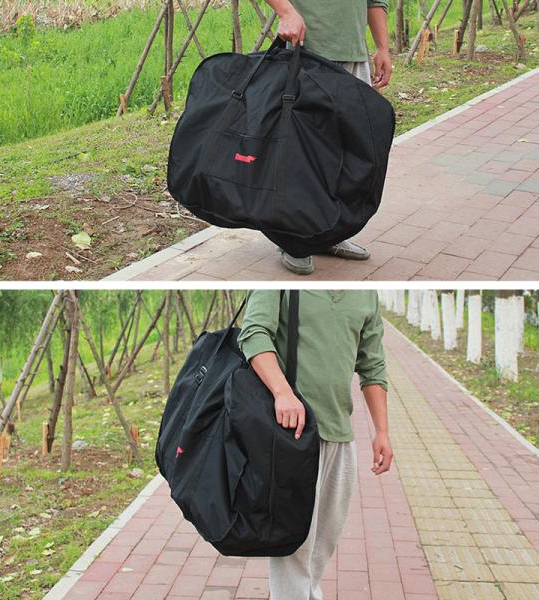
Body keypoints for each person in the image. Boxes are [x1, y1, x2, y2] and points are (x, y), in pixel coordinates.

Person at [237, 290, 394, 600]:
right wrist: (282, 393)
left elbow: (373, 364)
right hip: (292, 435)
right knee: (294, 546)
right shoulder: (279, 287)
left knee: (323, 544)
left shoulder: (366, 295)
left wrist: (382, 431)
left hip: (340, 435)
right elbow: (254, 332)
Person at [265, 0, 393, 275]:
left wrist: (382, 47)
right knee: (302, 153)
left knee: (345, 153)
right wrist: (286, 12)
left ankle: (328, 233)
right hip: (308, 52)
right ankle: (293, 239)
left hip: (354, 55)